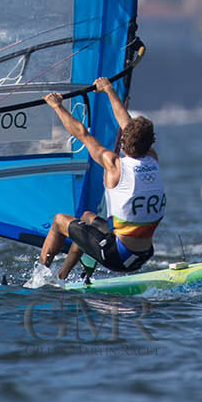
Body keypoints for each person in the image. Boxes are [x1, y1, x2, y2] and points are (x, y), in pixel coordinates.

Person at [38, 77, 165, 279]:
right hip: (143, 254)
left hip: (118, 256)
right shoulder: (152, 158)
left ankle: (38, 278)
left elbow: (82, 134)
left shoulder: (114, 165)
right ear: (150, 142)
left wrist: (57, 107)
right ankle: (64, 276)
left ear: (123, 141)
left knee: (59, 221)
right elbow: (127, 125)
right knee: (87, 217)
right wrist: (108, 89)